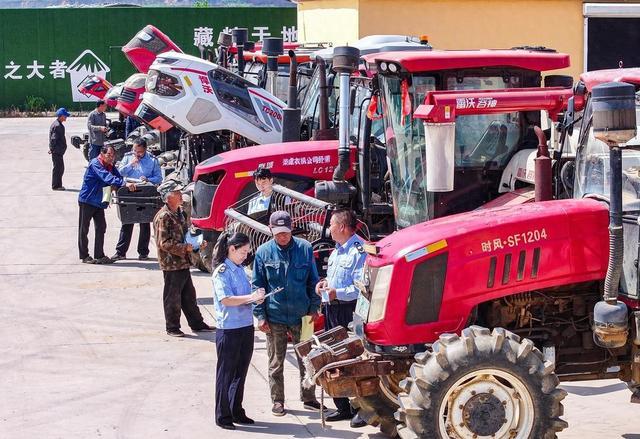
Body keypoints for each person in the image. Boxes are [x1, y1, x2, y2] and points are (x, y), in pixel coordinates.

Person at [252, 210, 323, 417]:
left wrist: (314, 309)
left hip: (304, 316)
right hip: (274, 316)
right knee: (276, 362)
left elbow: (313, 281)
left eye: (286, 232)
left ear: (291, 229)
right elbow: (258, 286)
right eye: (278, 233)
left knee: (308, 359)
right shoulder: (263, 253)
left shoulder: (305, 248)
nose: (283, 237)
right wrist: (260, 315)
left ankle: (309, 397)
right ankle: (278, 400)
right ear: (271, 230)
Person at [315, 209, 367, 427]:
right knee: (332, 357)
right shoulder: (337, 250)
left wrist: (338, 293)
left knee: (353, 358)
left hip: (348, 311)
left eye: (332, 225)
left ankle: (361, 408)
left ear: (343, 227)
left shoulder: (358, 251)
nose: (329, 229)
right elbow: (334, 279)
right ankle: (343, 406)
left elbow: (360, 289)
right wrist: (324, 284)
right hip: (331, 309)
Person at [212, 232, 265, 430]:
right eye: (242, 252)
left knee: (240, 372)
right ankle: (222, 414)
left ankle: (236, 410)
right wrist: (250, 298)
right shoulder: (222, 271)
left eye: (247, 252)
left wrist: (256, 297)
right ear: (231, 249)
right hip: (229, 329)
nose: (245, 255)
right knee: (226, 374)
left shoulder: (240, 269)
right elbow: (226, 299)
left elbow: (245, 295)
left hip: (245, 326)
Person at [153, 179, 215, 337]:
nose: (181, 196)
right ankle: (172, 327)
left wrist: (195, 244)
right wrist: (184, 248)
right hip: (171, 263)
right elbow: (163, 243)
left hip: (182, 261)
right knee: (172, 296)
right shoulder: (163, 217)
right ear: (168, 197)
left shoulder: (179, 213)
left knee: (189, 295)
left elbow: (185, 235)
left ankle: (196, 323)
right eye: (177, 193)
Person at [78, 145, 136, 265]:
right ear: (102, 154)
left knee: (101, 227)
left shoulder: (110, 165)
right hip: (88, 200)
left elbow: (117, 177)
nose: (111, 158)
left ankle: (99, 255)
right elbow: (107, 177)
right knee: (84, 229)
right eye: (109, 155)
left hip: (99, 201)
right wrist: (124, 183)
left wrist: (130, 182)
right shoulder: (95, 164)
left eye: (113, 155)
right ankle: (84, 255)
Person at [111, 138, 162, 261]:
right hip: (129, 190)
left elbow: (159, 177)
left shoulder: (152, 160)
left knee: (145, 222)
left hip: (144, 191)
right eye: (135, 150)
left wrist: (149, 180)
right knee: (127, 221)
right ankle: (121, 251)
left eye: (139, 151)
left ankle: (143, 252)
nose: (137, 153)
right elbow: (119, 172)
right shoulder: (128, 157)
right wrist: (131, 164)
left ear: (144, 150)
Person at [49, 107, 70, 191]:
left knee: (59, 168)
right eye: (65, 116)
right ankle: (56, 186)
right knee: (58, 169)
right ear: (61, 116)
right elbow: (54, 139)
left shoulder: (57, 124)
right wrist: (52, 148)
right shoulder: (57, 126)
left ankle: (58, 185)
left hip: (58, 151)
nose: (66, 117)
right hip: (57, 151)